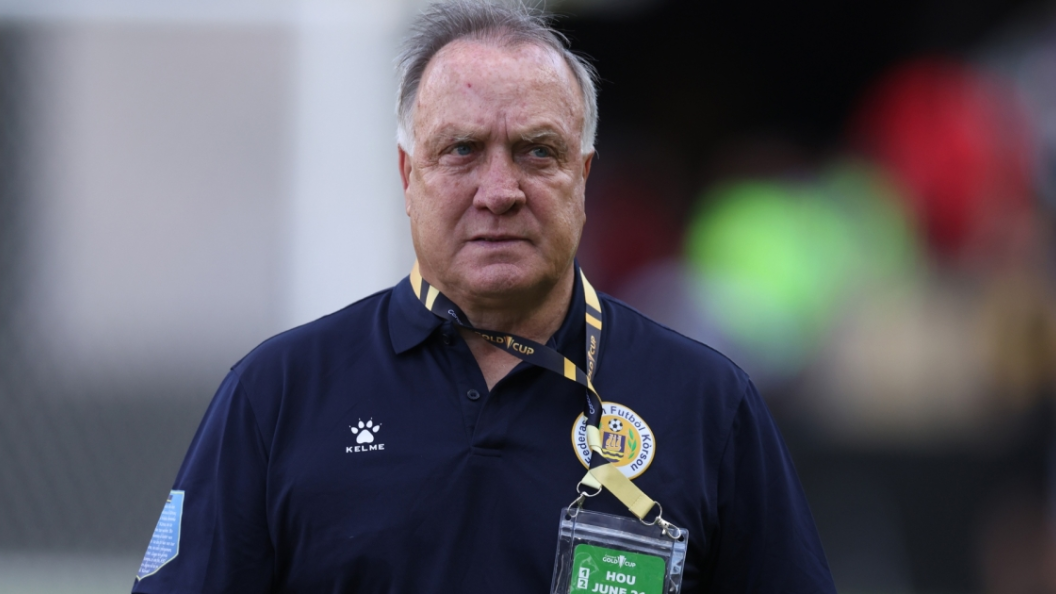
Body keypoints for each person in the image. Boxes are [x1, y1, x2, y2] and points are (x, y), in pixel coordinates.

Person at [132, 1, 836, 592]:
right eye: (462, 150)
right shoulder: (278, 394)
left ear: (583, 177)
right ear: (408, 176)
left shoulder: (708, 404)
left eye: (537, 151)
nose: (499, 192)